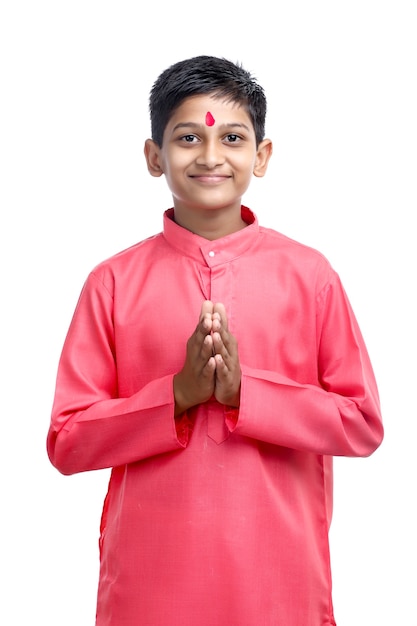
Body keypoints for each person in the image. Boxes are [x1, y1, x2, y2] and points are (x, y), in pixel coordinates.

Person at [47, 55, 384, 626]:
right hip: (150, 590)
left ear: (262, 155)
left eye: (232, 137)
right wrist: (175, 395)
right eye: (187, 138)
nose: (209, 156)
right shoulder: (112, 283)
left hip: (279, 587)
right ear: (154, 157)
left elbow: (361, 424)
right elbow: (66, 441)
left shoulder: (310, 276)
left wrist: (244, 394)